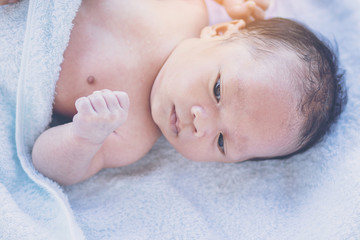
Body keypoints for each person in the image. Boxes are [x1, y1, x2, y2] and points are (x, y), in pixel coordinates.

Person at [13, 0, 343, 185]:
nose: (202, 125)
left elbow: (45, 164)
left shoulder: (129, 134)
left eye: (222, 142)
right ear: (221, 31)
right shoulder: (184, 8)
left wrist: (84, 137)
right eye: (217, 90)